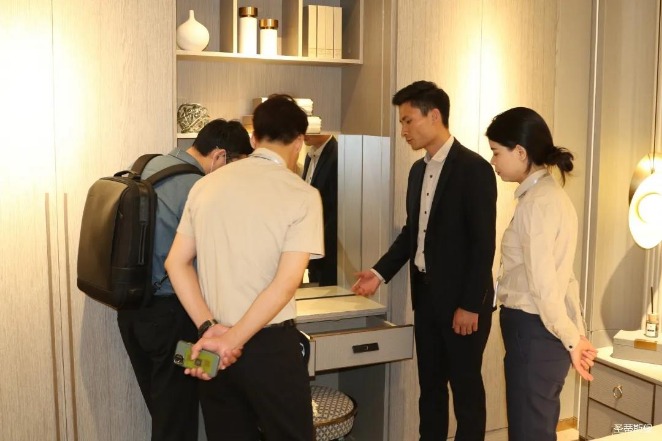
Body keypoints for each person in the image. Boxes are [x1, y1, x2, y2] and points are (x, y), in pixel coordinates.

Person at [165, 94, 323, 441]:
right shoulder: (302, 195)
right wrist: (231, 341)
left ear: (253, 138)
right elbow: (284, 285)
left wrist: (210, 329)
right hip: (269, 346)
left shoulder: (205, 185)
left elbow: (175, 262)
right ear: (299, 142)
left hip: (212, 340)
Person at [352, 80, 497, 441]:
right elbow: (412, 234)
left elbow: (483, 244)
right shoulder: (418, 171)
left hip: (464, 303)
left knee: (465, 390)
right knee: (430, 388)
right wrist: (378, 273)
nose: (403, 131)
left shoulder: (474, 168)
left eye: (408, 121)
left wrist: (470, 305)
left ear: (434, 115)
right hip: (428, 298)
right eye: (401, 123)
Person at [116, 119, 253, 441]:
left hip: (131, 312)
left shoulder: (147, 165)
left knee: (164, 412)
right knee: (177, 419)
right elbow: (210, 262)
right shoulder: (199, 188)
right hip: (171, 319)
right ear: (219, 156)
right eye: (235, 167)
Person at [485, 107, 597, 441]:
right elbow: (565, 277)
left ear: (520, 152)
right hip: (542, 332)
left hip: (533, 330)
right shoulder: (550, 197)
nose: (493, 161)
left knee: (529, 431)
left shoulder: (538, 203)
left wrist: (573, 338)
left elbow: (546, 285)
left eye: (496, 152)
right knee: (535, 427)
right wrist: (576, 332)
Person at [302, 134, 338, 286]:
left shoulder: (337, 155)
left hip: (329, 249)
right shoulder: (310, 156)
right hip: (312, 247)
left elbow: (335, 208)